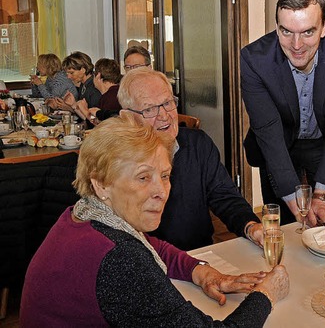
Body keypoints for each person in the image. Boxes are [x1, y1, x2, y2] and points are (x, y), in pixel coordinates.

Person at [20, 114, 289, 327]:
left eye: (165, 175)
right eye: (143, 177)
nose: (161, 191)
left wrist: (202, 272)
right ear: (101, 184)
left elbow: (154, 247)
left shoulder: (85, 215)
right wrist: (265, 294)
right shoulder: (120, 259)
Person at [241, 0, 325, 226]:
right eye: (286, 31)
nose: (296, 46)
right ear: (277, 27)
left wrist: (321, 195)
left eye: (308, 32)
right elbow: (268, 129)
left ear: (324, 26)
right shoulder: (254, 59)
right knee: (286, 224)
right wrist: (291, 196)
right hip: (280, 145)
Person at [118, 68, 263, 250]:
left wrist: (251, 227)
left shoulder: (198, 144)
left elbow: (225, 197)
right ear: (128, 118)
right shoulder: (120, 162)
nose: (164, 115)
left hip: (200, 255)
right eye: (149, 109)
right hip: (147, 263)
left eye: (168, 103)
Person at [76, 58, 122, 124]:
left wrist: (86, 112)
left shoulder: (110, 97)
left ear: (98, 76)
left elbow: (100, 125)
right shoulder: (115, 92)